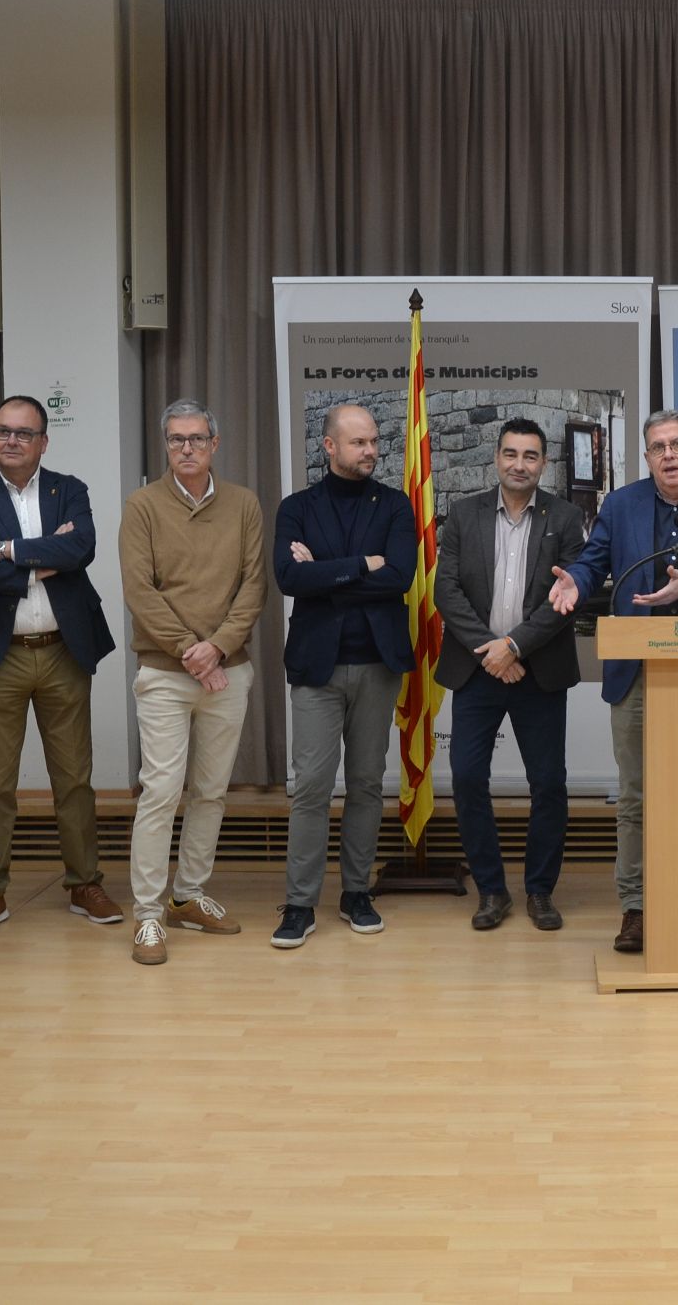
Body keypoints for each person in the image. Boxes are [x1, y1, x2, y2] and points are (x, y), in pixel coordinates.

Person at [549, 409, 678, 954]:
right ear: (646, 457)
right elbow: (594, 562)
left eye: (677, 444)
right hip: (637, 667)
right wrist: (576, 582)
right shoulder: (622, 505)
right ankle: (637, 907)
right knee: (637, 794)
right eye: (658, 447)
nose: (668, 454)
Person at [0, 395, 121, 937]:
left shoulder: (69, 489)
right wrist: (36, 562)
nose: (11, 440)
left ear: (44, 442)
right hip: (0, 656)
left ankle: (84, 883)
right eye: (2, 431)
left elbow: (81, 550)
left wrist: (1, 549)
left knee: (74, 781)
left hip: (64, 651)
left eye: (24, 433)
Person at [119, 399, 266, 965]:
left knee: (210, 791)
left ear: (214, 444)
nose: (187, 448)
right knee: (160, 791)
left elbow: (253, 586)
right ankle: (148, 916)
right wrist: (191, 651)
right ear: (166, 445)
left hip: (228, 671)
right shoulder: (143, 506)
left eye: (197, 439)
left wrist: (218, 647)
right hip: (165, 673)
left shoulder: (244, 504)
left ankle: (188, 895)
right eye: (177, 439)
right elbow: (140, 591)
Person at [269, 403, 412, 950]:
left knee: (367, 783)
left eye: (374, 441)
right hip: (316, 666)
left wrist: (325, 573)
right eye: (359, 443)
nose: (371, 450)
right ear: (329, 446)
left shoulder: (395, 505)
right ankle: (300, 903)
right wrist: (362, 564)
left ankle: (356, 893)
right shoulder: (296, 508)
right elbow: (289, 578)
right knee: (311, 785)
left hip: (377, 663)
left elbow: (399, 576)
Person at [435, 418, 586, 933]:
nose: (519, 464)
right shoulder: (464, 514)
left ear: (544, 463)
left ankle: (540, 890)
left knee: (548, 783)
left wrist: (515, 646)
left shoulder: (565, 518)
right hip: (477, 669)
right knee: (467, 778)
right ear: (496, 458)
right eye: (511, 454)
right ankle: (492, 891)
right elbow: (446, 590)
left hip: (537, 670)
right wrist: (492, 651)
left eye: (530, 456)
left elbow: (566, 597)